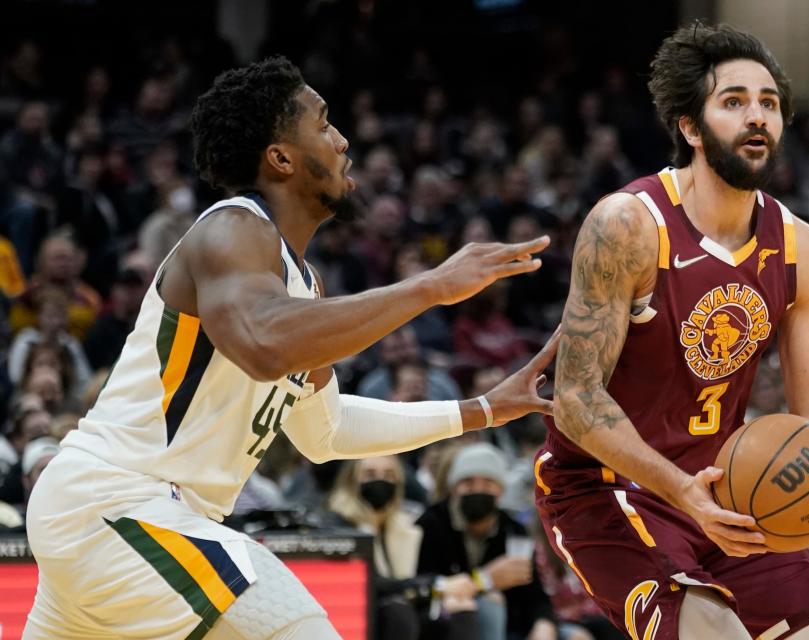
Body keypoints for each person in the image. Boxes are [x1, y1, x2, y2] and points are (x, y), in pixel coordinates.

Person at [24, 56, 557, 640]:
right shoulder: (233, 229)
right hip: (118, 503)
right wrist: (428, 288)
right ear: (280, 157)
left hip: (135, 522)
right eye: (324, 124)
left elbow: (325, 434)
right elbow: (263, 345)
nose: (342, 140)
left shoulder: (301, 288)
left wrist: (480, 410)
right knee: (300, 624)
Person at [535, 23, 809, 640]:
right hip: (608, 487)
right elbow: (575, 399)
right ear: (690, 126)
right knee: (716, 632)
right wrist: (685, 493)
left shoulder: (804, 249)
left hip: (728, 489)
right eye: (734, 101)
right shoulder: (627, 226)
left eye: (768, 103)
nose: (757, 117)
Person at [327, 455, 479, 640]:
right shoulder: (338, 524)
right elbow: (374, 583)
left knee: (460, 607)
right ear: (351, 482)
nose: (380, 480)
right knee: (398, 611)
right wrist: (437, 586)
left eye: (389, 474)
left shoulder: (405, 526)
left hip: (404, 607)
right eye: (370, 474)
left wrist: (446, 592)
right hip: (359, 613)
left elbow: (419, 576)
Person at [417, 443, 558, 640]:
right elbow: (426, 586)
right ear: (454, 487)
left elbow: (535, 596)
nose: (477, 489)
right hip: (447, 623)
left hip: (513, 627)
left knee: (575, 634)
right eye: (468, 482)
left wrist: (544, 623)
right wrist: (485, 579)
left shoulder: (514, 530)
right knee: (491, 603)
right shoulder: (431, 524)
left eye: (487, 483)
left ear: (500, 490)